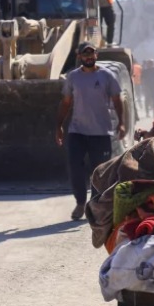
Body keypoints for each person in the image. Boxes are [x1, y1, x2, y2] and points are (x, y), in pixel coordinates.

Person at [56, 42, 126, 220]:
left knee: (99, 172)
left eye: (91, 53)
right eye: (85, 54)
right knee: (75, 167)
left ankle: (95, 204)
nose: (88, 57)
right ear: (79, 56)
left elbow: (117, 100)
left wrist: (122, 123)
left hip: (101, 133)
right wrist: (59, 126)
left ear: (96, 55)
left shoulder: (107, 76)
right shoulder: (73, 77)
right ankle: (80, 202)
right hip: (77, 132)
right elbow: (66, 102)